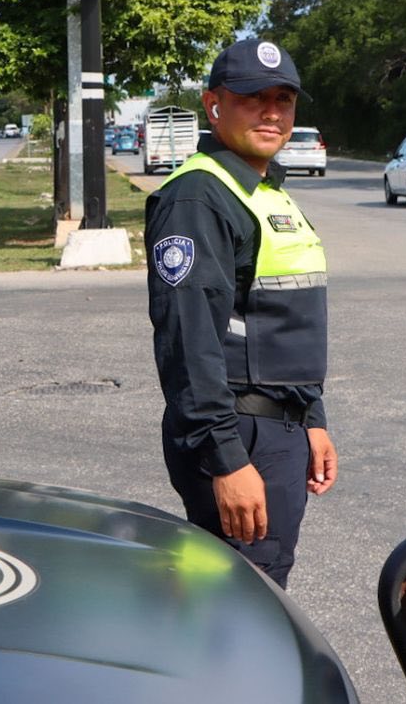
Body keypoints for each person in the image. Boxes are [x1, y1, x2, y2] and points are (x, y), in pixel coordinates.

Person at [144, 37, 337, 589]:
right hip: (237, 433)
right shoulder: (198, 198)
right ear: (214, 104)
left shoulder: (265, 191)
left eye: (284, 99)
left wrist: (311, 420)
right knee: (242, 601)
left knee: (256, 591)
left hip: (278, 426)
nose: (272, 112)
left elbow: (279, 319)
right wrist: (225, 459)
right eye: (253, 97)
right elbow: (188, 341)